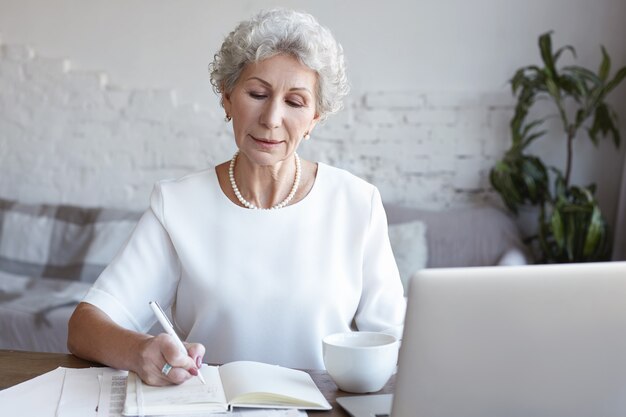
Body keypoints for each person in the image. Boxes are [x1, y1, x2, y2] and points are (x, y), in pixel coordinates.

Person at [68, 8, 405, 386]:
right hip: (208, 406)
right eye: (257, 94)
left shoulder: (357, 204)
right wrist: (140, 350)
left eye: (295, 102)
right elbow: (85, 326)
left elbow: (397, 342)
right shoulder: (177, 205)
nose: (272, 118)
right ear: (227, 99)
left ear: (315, 119)